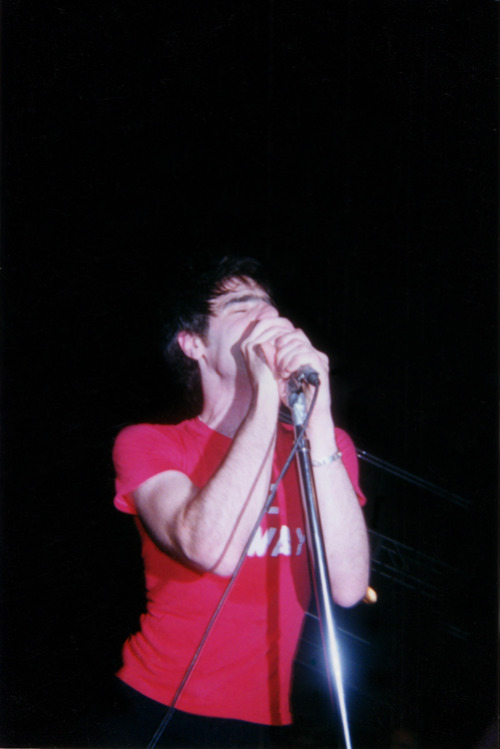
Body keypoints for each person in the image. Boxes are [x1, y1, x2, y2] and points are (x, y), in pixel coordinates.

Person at [98, 256, 369, 748]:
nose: (267, 316)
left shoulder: (325, 446)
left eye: (269, 306)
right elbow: (211, 549)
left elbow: (349, 586)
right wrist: (266, 392)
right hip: (154, 707)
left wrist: (320, 412)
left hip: (265, 722)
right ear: (193, 343)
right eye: (243, 306)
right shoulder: (151, 444)